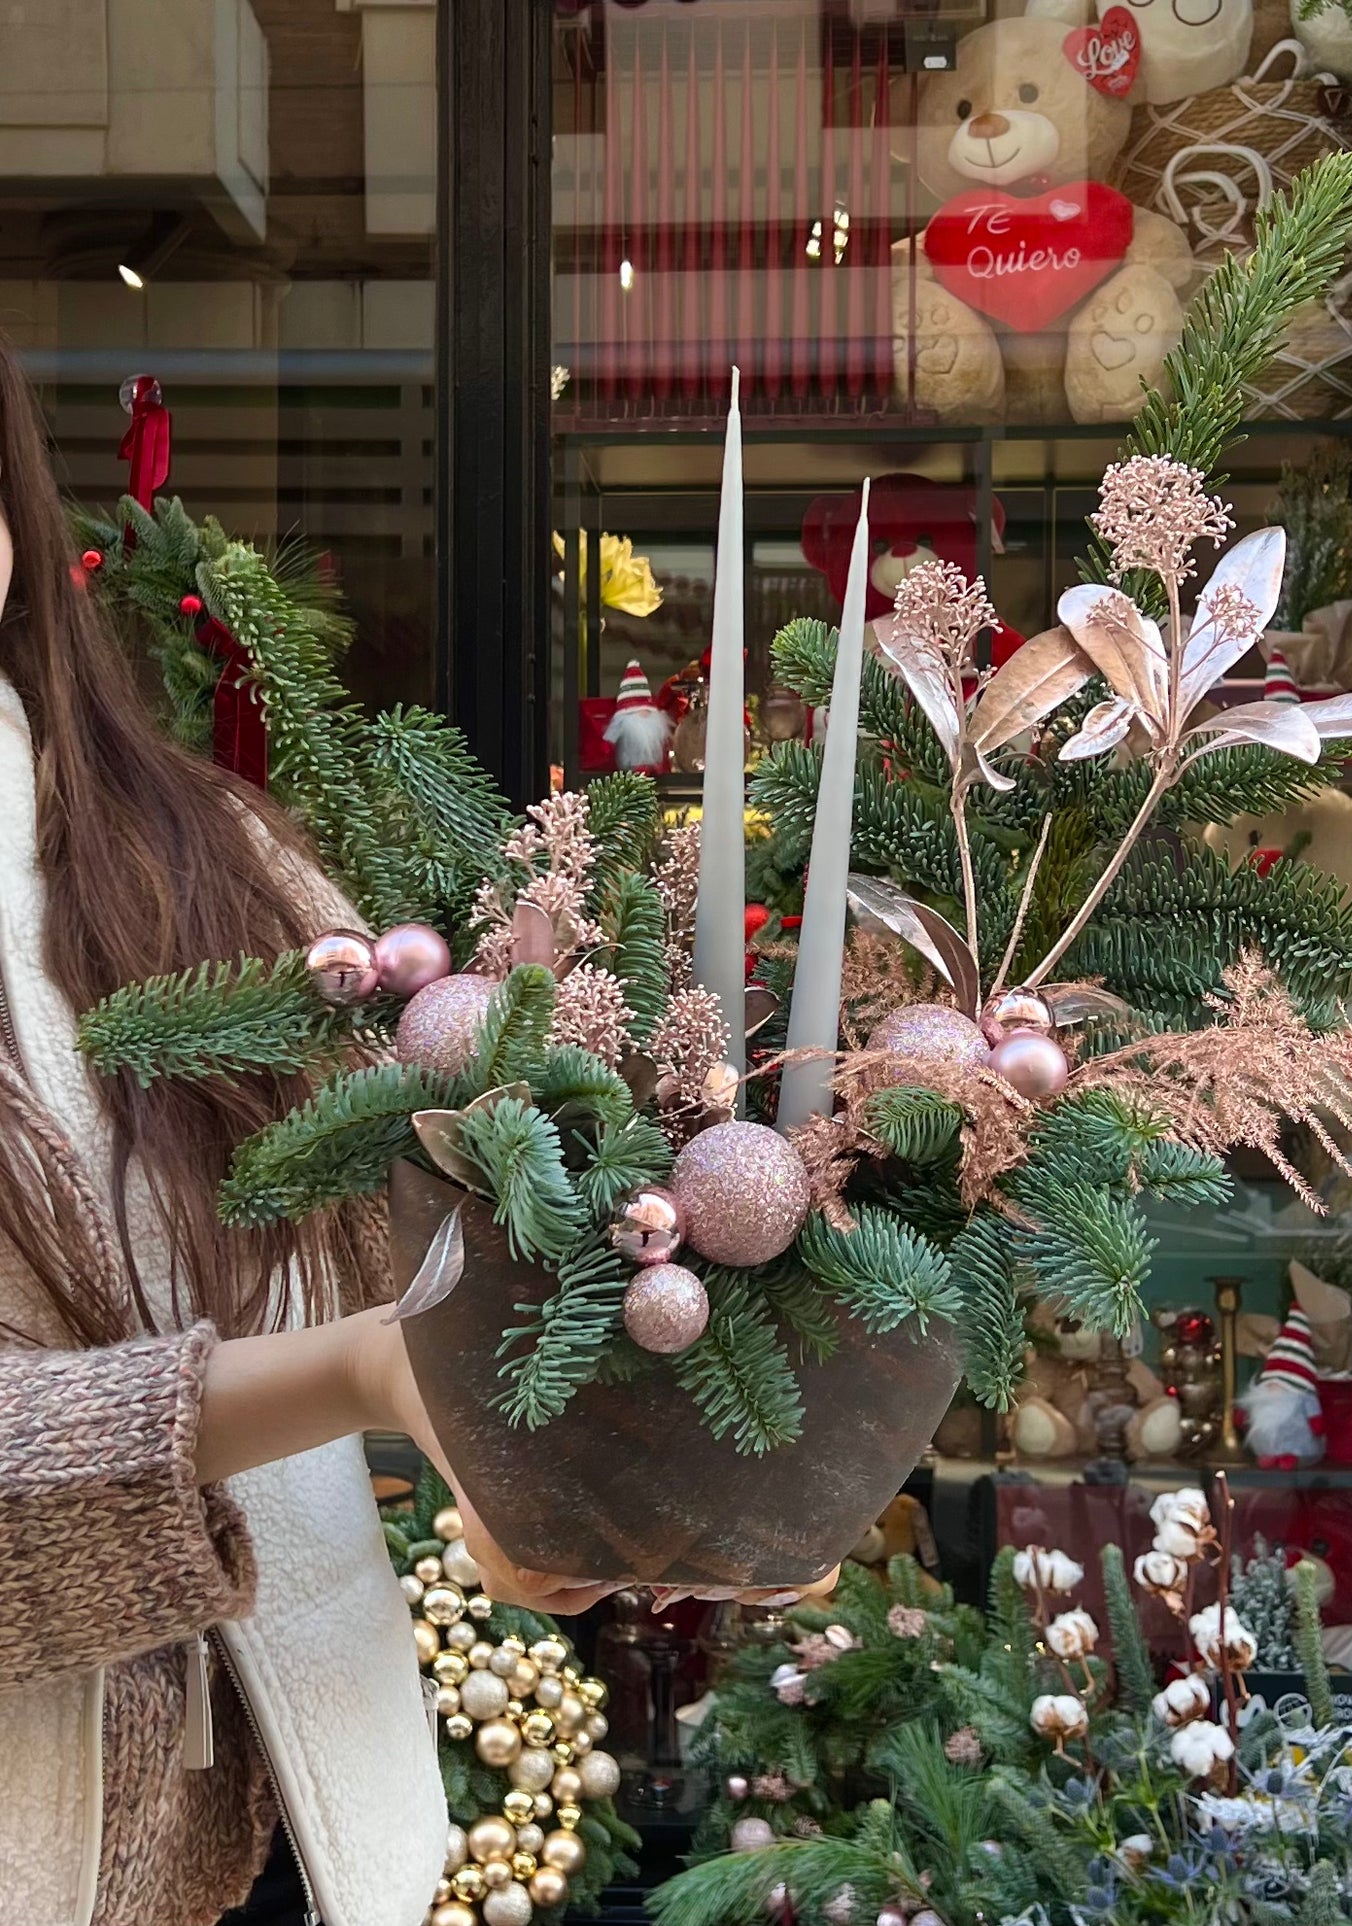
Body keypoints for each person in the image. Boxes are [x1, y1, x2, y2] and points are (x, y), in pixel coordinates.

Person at [0, 343, 829, 1926]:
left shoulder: (195, 855)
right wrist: (375, 1375)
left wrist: (589, 1450)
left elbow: (415, 1221)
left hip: (316, 1840)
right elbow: (376, 1338)